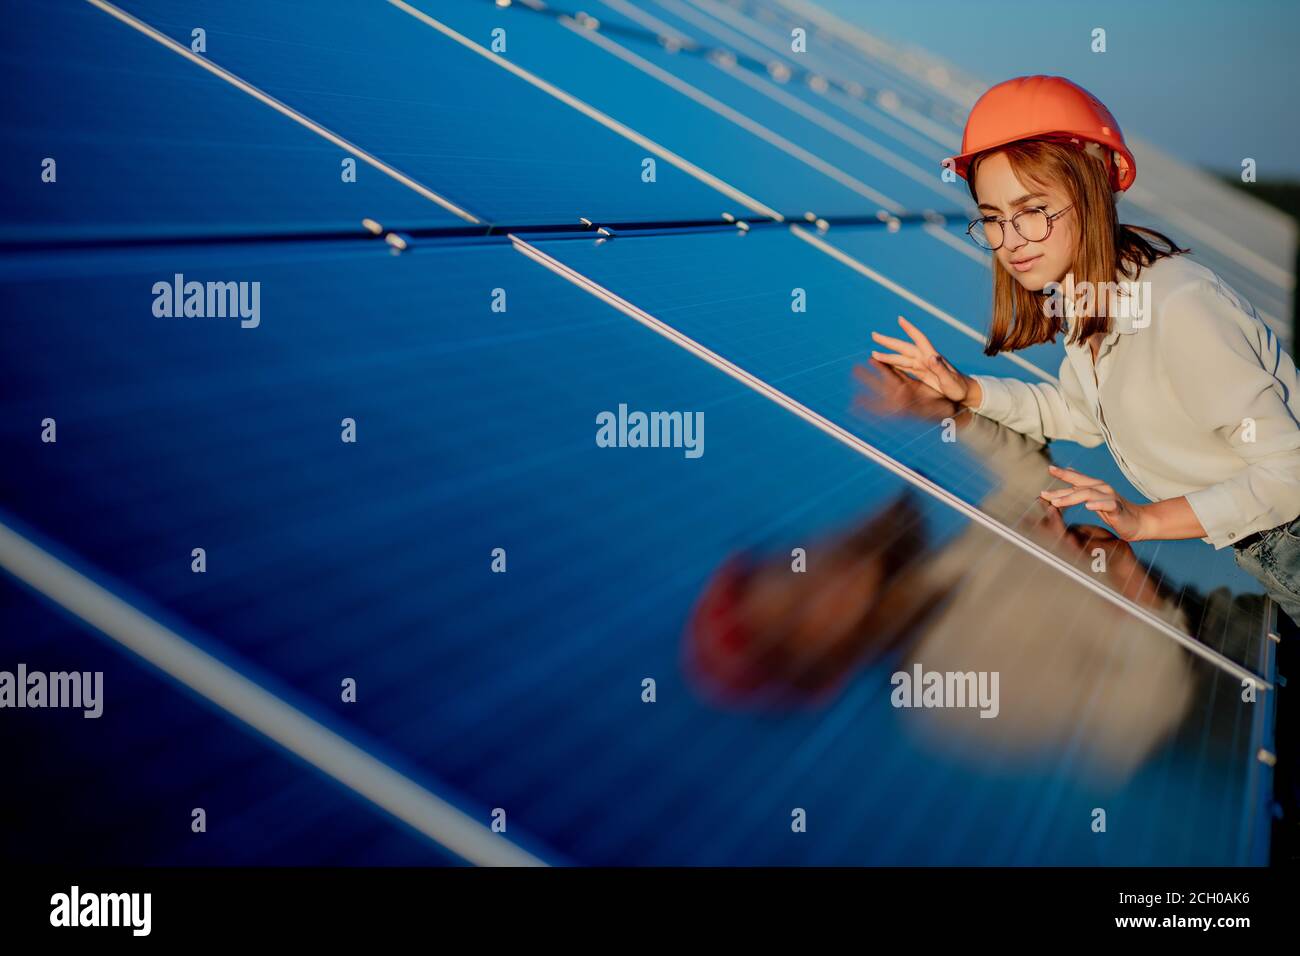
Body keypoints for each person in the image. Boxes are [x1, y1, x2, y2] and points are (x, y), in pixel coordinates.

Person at [868, 75, 1300, 627]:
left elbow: (1289, 472)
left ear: (1093, 191)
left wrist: (1145, 522)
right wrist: (967, 390)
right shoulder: (1089, 303)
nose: (1011, 241)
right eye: (993, 219)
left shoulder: (1177, 306)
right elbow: (1083, 414)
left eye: (1032, 210)